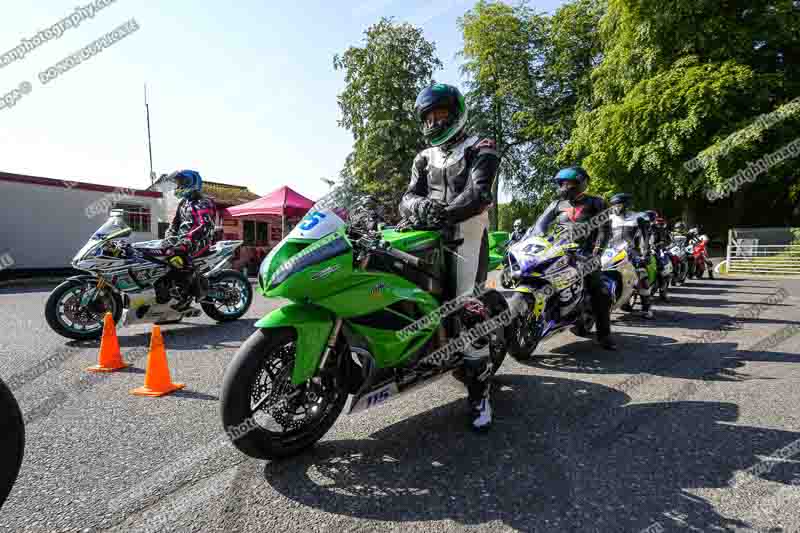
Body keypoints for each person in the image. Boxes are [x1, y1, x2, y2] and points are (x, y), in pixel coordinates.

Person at [399, 82, 498, 432]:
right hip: (425, 237)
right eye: (428, 117)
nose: (434, 123)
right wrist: (418, 205)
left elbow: (478, 192)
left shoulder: (481, 146)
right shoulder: (423, 157)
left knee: (467, 309)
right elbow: (407, 196)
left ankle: (480, 397)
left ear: (457, 113)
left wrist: (442, 213)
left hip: (466, 237)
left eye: (441, 114)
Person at [531, 166, 616, 350]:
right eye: (561, 183)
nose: (564, 187)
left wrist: (597, 254)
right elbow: (540, 225)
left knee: (599, 292)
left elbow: (604, 230)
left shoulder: (597, 203)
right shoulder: (556, 204)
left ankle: (604, 335)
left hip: (585, 255)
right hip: (557, 251)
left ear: (581, 183)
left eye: (568, 183)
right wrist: (534, 239)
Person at [163, 170, 218, 309]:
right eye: (178, 183)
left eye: (182, 183)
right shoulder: (183, 203)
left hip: (199, 241)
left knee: (176, 257)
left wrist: (186, 241)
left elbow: (204, 225)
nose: (179, 186)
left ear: (192, 182)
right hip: (182, 240)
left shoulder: (204, 202)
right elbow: (174, 224)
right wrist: (169, 237)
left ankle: (185, 295)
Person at [609, 193, 654, 319]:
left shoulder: (637, 217)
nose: (615, 208)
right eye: (613, 205)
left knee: (642, 274)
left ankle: (646, 307)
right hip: (610, 252)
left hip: (631, 252)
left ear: (626, 205)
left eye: (618, 205)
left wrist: (646, 252)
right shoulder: (609, 218)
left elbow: (646, 237)